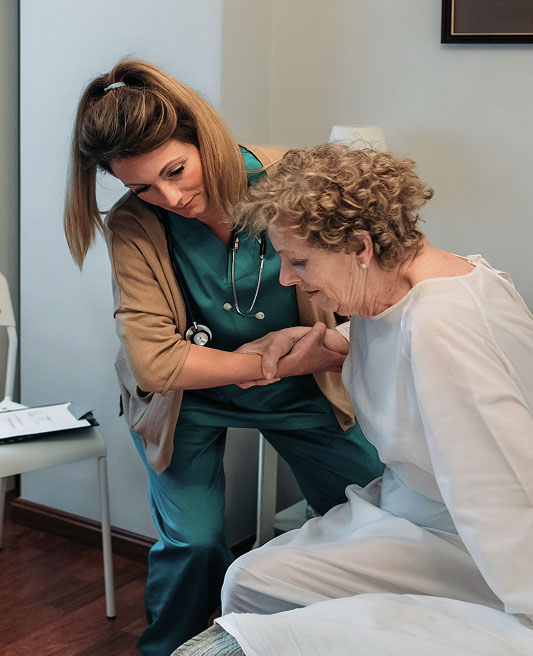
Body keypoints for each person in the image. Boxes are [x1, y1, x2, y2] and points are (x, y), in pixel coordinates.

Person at [63, 61, 383, 655]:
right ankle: (169, 648)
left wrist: (319, 355)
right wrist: (275, 362)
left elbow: (372, 294)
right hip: (189, 402)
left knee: (372, 513)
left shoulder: (300, 180)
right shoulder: (136, 225)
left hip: (305, 391)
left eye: (176, 170)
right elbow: (156, 365)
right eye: (142, 188)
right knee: (195, 543)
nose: (172, 197)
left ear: (203, 134)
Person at [217, 144, 533, 655]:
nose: (286, 278)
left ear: (360, 247)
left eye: (298, 261)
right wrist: (322, 341)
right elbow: (395, 344)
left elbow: (498, 487)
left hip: (468, 536)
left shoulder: (441, 326)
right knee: (250, 578)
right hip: (410, 506)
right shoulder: (406, 284)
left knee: (257, 590)